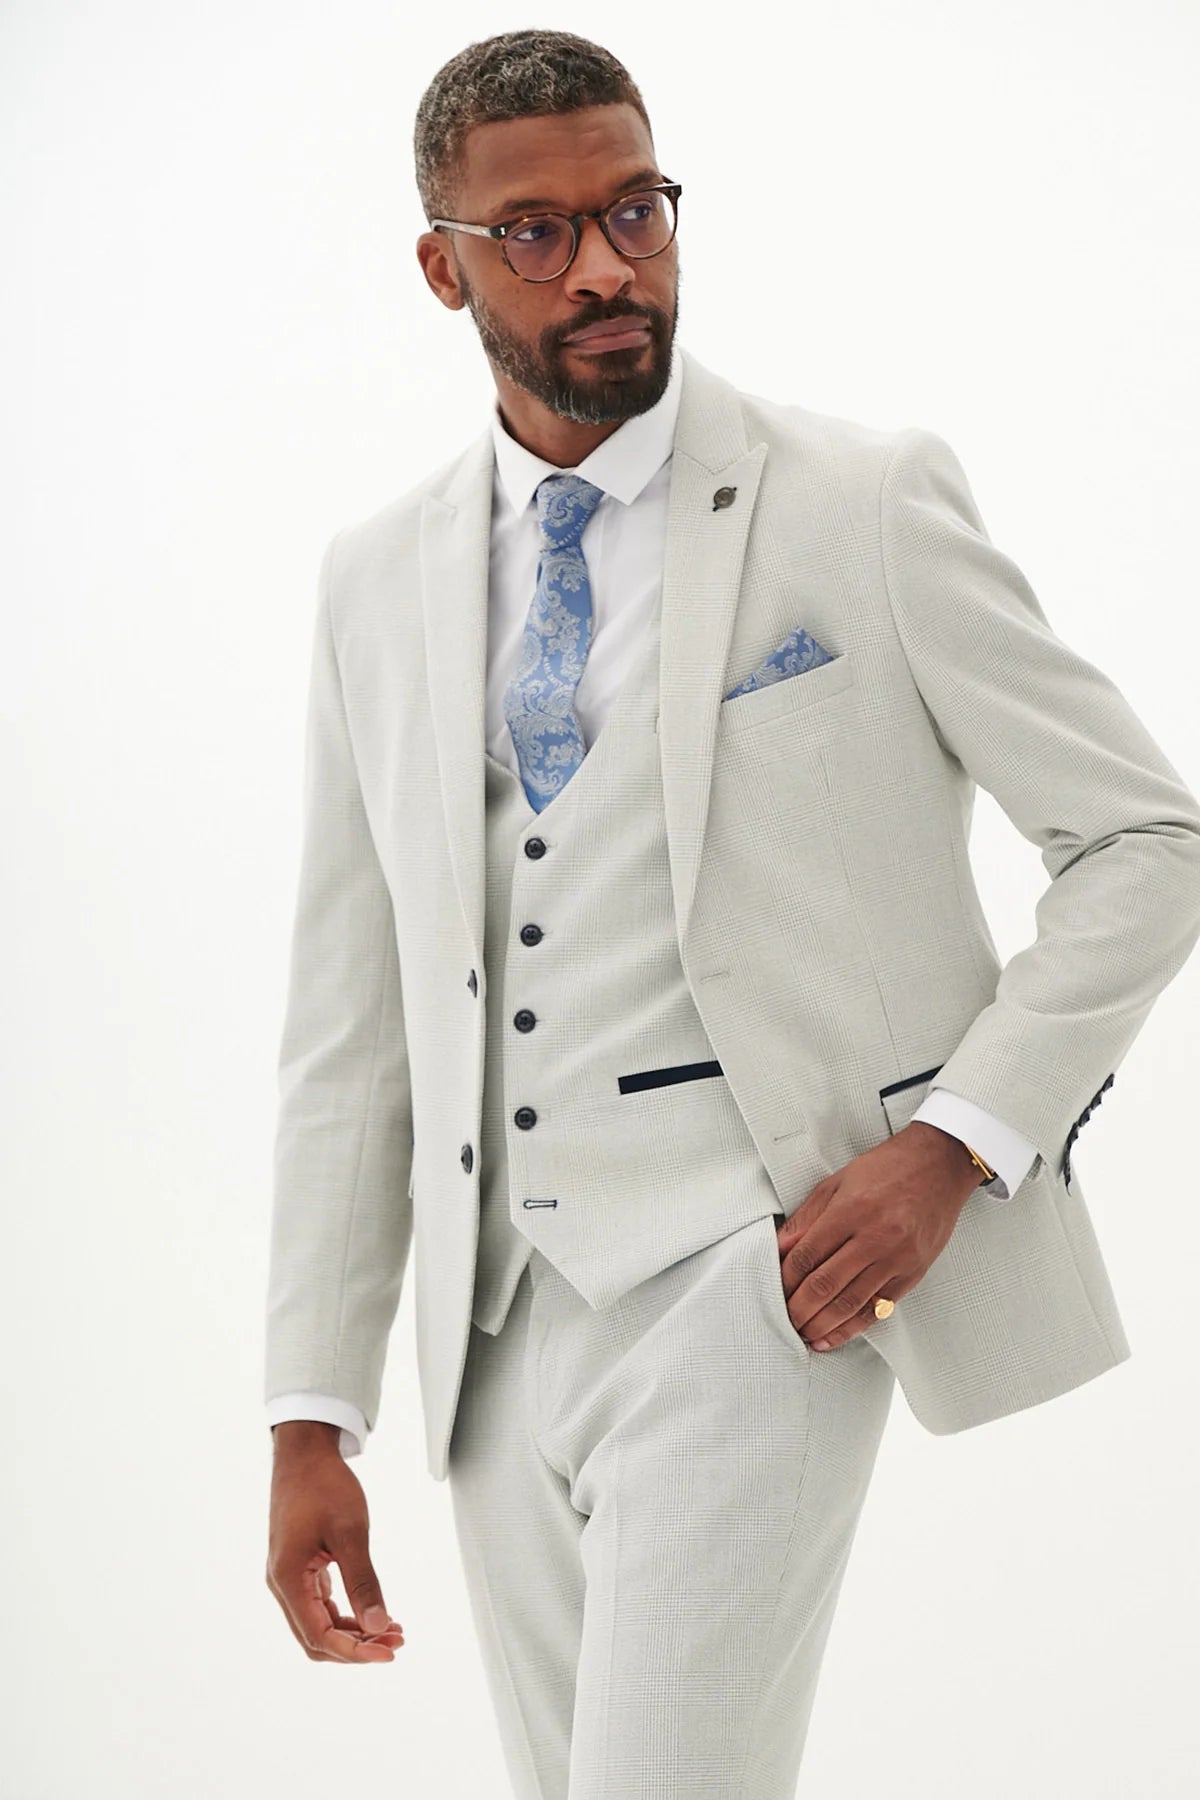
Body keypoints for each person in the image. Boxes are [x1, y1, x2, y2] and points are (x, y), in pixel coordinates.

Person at [263, 28, 1200, 1796]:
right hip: (490, 1341)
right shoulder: (374, 583)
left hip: (753, 1287)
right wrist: (312, 1411)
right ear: (440, 263)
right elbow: (350, 1020)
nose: (607, 264)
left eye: (636, 209)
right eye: (536, 231)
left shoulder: (858, 499)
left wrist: (954, 1147)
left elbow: (1148, 839)